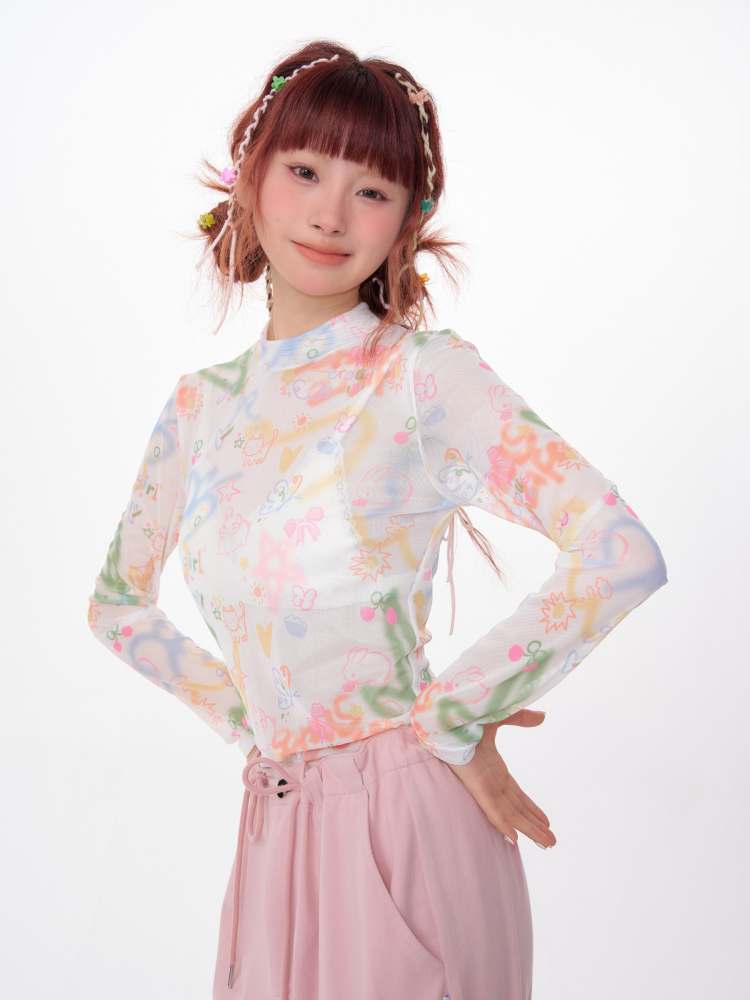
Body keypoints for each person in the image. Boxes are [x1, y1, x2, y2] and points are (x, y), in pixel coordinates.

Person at [86, 40, 668, 1000]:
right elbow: (116, 605)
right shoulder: (200, 407)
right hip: (274, 827)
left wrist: (456, 712)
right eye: (305, 171)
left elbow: (619, 552)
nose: (330, 213)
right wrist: (249, 719)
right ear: (251, 178)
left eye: (371, 189)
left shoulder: (423, 377)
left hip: (408, 830)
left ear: (407, 219)